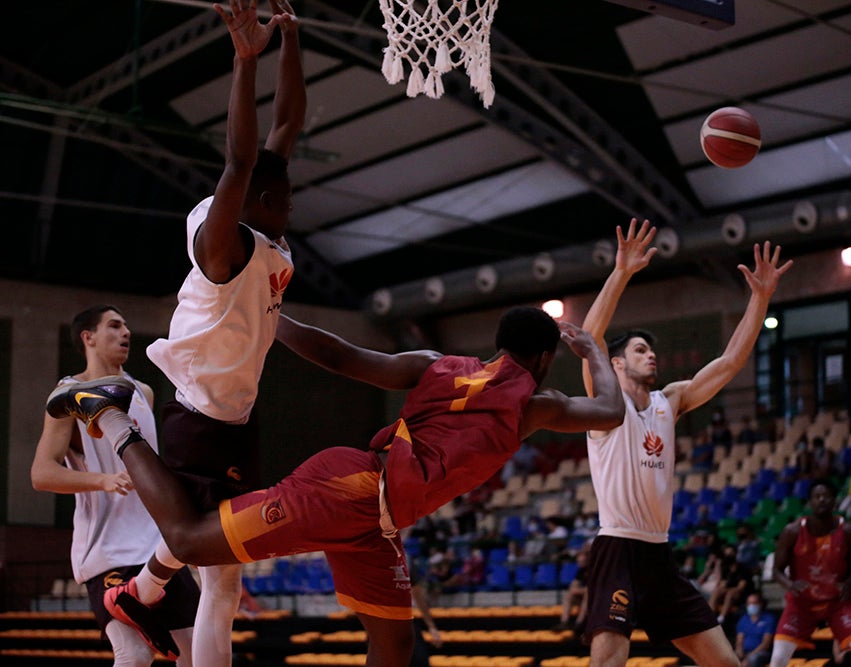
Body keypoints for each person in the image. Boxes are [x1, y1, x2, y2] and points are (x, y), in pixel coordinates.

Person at [46, 307, 626, 666]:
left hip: (378, 525)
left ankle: (143, 589)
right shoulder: (537, 404)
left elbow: (345, 356)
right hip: (350, 489)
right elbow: (609, 409)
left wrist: (273, 316)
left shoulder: (437, 363)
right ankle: (111, 417)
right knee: (190, 538)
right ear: (546, 357)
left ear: (500, 344)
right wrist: (596, 351)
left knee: (395, 644)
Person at [96, 3, 307, 666]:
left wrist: (293, 40)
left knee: (226, 579)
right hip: (196, 422)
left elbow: (288, 124)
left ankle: (143, 590)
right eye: (286, 195)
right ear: (261, 201)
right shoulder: (223, 244)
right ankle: (111, 425)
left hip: (238, 421)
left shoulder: (267, 238)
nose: (293, 203)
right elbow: (243, 158)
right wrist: (245, 63)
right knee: (212, 565)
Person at [579, 218, 792, 667]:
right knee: (607, 663)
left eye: (650, 349)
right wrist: (621, 272)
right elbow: (590, 339)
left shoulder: (669, 401)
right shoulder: (606, 404)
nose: (650, 354)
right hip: (617, 547)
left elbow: (731, 362)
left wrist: (760, 299)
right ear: (615, 364)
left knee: (726, 663)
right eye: (639, 350)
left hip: (659, 553)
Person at [30, 305, 200, 664]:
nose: (126, 332)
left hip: (158, 546)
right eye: (114, 325)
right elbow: (41, 474)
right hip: (108, 552)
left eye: (126, 326)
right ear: (87, 337)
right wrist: (103, 480)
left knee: (196, 652)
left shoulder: (144, 392)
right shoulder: (67, 395)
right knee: (135, 655)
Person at [769, 479, 851, 667]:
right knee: (779, 657)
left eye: (826, 496)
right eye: (817, 496)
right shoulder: (792, 531)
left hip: (837, 602)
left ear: (834, 500)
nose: (822, 500)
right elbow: (776, 570)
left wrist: (850, 584)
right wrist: (790, 584)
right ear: (810, 502)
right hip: (802, 603)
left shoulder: (849, 531)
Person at [734, 593, 775, 667]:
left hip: (760, 652)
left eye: (754, 603)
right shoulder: (743, 619)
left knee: (753, 659)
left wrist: (749, 657)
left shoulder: (768, 619)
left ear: (760, 604)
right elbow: (739, 640)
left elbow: (766, 643)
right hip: (744, 652)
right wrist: (739, 651)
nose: (752, 606)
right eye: (749, 603)